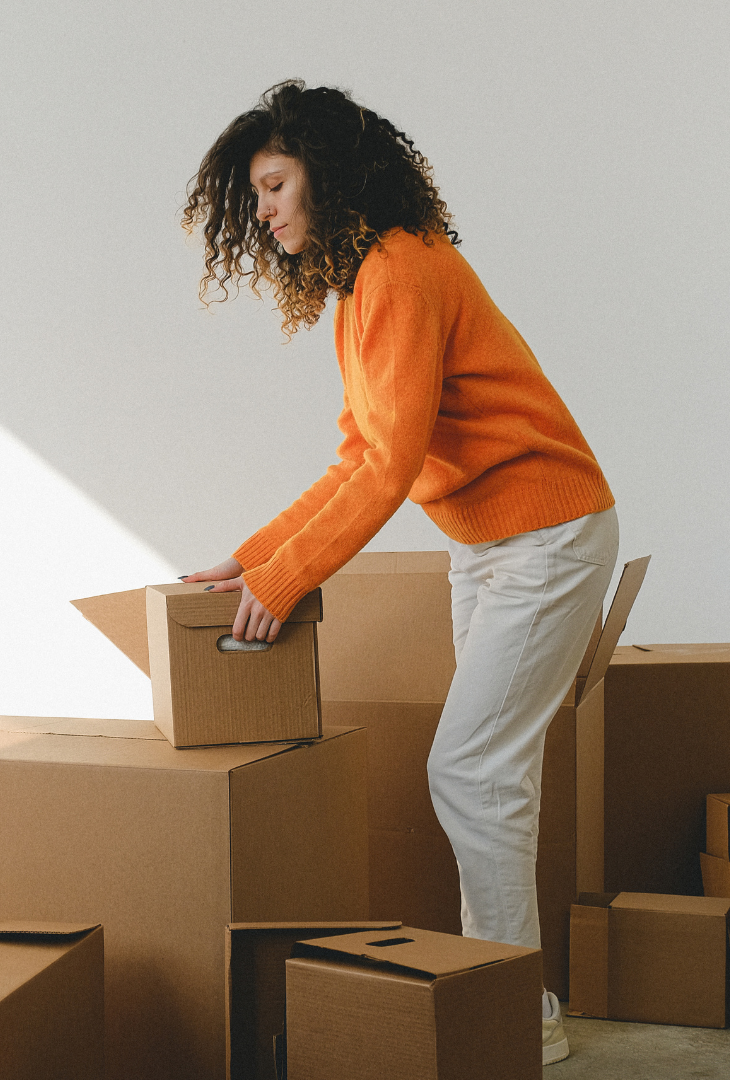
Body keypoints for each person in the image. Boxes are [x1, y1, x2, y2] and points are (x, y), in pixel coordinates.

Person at [178, 80, 616, 1067]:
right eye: (256, 195)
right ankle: (510, 1000)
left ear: (327, 175)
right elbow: (358, 456)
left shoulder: (402, 268)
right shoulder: (365, 287)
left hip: (547, 542)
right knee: (490, 778)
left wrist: (283, 582)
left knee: (470, 771)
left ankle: (511, 1018)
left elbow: (389, 467)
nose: (265, 211)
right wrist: (253, 557)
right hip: (491, 546)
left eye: (276, 185)